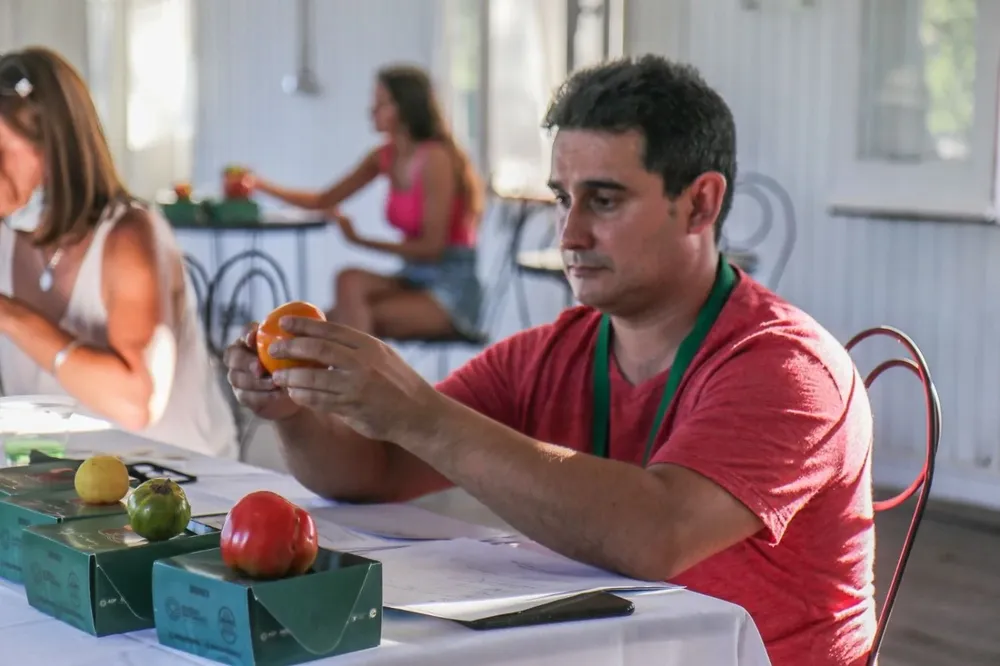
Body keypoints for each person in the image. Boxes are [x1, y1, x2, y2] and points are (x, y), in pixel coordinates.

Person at [224, 55, 875, 665]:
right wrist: (295, 413)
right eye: (563, 199)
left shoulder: (789, 369)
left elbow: (656, 535)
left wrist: (418, 412)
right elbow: (368, 471)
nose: (568, 235)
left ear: (700, 203)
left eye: (605, 200)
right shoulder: (554, 352)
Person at [0, 47, 237, 459]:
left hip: (178, 490)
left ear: (57, 148)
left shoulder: (129, 235)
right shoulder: (7, 234)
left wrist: (9, 314)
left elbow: (135, 403)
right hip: (64, 485)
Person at [249, 64, 485, 340]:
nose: (371, 111)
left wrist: (358, 240)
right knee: (348, 282)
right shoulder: (384, 156)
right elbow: (325, 199)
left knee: (337, 323)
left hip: (449, 285)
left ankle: (283, 346)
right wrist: (260, 185)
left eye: (381, 104)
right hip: (411, 276)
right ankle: (283, 346)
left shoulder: (436, 159)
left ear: (406, 109)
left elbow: (431, 249)